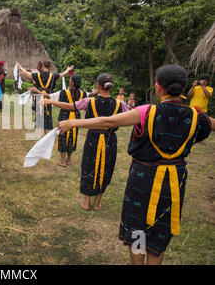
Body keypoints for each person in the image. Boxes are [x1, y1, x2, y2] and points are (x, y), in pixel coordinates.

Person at [57, 65, 214, 265]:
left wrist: (72, 123)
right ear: (183, 88)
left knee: (138, 228)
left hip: (143, 181)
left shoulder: (146, 112)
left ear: (158, 87)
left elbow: (106, 122)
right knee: (159, 231)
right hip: (173, 183)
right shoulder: (196, 116)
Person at [45, 73, 130, 211]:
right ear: (110, 87)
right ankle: (97, 203)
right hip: (110, 140)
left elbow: (70, 106)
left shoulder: (89, 101)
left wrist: (51, 101)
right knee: (106, 168)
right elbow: (131, 114)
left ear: (98, 86)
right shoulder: (120, 104)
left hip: (93, 138)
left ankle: (86, 202)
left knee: (88, 166)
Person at [30, 67, 82, 167]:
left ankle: (63, 161)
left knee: (62, 137)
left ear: (71, 83)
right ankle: (69, 160)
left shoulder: (63, 92)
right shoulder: (83, 93)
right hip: (76, 117)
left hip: (64, 116)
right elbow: (90, 94)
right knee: (72, 137)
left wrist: (36, 90)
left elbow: (48, 96)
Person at [17, 62, 73, 136]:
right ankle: (43, 134)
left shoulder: (38, 75)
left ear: (43, 66)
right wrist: (68, 70)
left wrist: (21, 68)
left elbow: (28, 74)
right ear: (49, 67)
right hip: (47, 97)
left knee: (39, 115)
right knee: (46, 116)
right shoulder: (53, 75)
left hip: (39, 97)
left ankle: (40, 134)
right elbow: (62, 74)